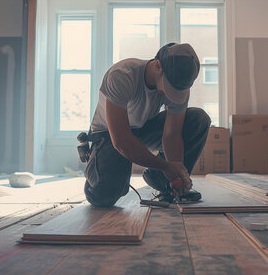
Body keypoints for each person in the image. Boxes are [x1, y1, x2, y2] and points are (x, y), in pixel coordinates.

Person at [83, 42, 211, 207]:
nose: (171, 95)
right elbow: (122, 141)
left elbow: (172, 135)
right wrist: (165, 165)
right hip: (110, 134)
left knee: (198, 119)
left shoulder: (179, 87)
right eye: (168, 88)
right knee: (105, 196)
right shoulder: (122, 75)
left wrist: (176, 174)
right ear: (157, 66)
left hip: (144, 127)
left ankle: (163, 182)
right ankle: (95, 174)